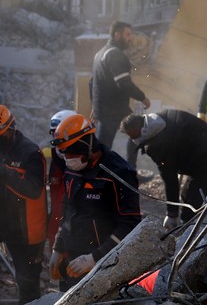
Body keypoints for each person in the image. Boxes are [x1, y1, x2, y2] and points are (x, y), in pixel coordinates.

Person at [48, 114, 141, 290]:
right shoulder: (72, 169)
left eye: (73, 152)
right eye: (64, 153)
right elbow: (68, 210)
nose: (69, 158)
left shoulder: (118, 173)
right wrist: (58, 248)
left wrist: (95, 258)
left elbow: (130, 224)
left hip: (105, 264)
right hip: (72, 260)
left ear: (88, 144)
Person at [0, 105, 47, 304]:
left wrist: (4, 171)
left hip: (28, 230)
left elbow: (33, 190)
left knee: (27, 283)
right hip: (4, 222)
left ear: (11, 129)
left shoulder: (30, 153)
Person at [120, 110, 207, 230]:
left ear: (141, 129)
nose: (134, 140)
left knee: (192, 205)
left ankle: (189, 233)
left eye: (133, 137)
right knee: (186, 197)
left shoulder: (157, 145)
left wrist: (172, 214)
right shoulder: (163, 116)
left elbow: (170, 179)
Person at [91, 21, 150, 168]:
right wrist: (142, 97)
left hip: (107, 108)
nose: (130, 38)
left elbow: (92, 83)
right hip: (113, 109)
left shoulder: (100, 53)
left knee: (134, 132)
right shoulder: (115, 55)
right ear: (117, 35)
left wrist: (94, 105)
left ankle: (120, 170)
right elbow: (124, 83)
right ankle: (124, 170)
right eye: (127, 34)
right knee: (106, 146)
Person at [47, 109, 76, 247]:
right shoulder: (55, 160)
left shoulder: (83, 162)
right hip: (57, 226)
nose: (56, 138)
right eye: (54, 133)